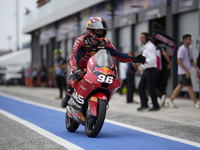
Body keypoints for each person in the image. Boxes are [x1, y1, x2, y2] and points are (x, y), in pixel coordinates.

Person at [60, 17, 146, 108]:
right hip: (80, 68)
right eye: (98, 30)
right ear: (91, 30)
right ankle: (67, 96)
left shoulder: (106, 42)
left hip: (95, 68)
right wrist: (75, 69)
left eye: (102, 31)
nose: (100, 33)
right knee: (72, 81)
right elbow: (74, 56)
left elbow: (118, 54)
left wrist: (133, 59)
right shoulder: (81, 41)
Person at [167, 34, 200, 108]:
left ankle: (170, 101)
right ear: (185, 40)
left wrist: (197, 69)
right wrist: (187, 71)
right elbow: (179, 61)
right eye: (189, 39)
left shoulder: (190, 49)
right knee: (190, 87)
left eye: (190, 39)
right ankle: (195, 103)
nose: (190, 41)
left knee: (180, 86)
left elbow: (191, 60)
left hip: (186, 71)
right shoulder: (181, 49)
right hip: (184, 72)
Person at [137, 32, 160, 111]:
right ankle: (144, 104)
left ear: (147, 37)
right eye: (140, 38)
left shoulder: (150, 46)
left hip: (151, 70)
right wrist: (142, 65)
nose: (141, 39)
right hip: (146, 70)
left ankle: (156, 105)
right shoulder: (146, 47)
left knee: (151, 88)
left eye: (142, 37)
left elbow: (153, 59)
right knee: (140, 87)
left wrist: (144, 61)